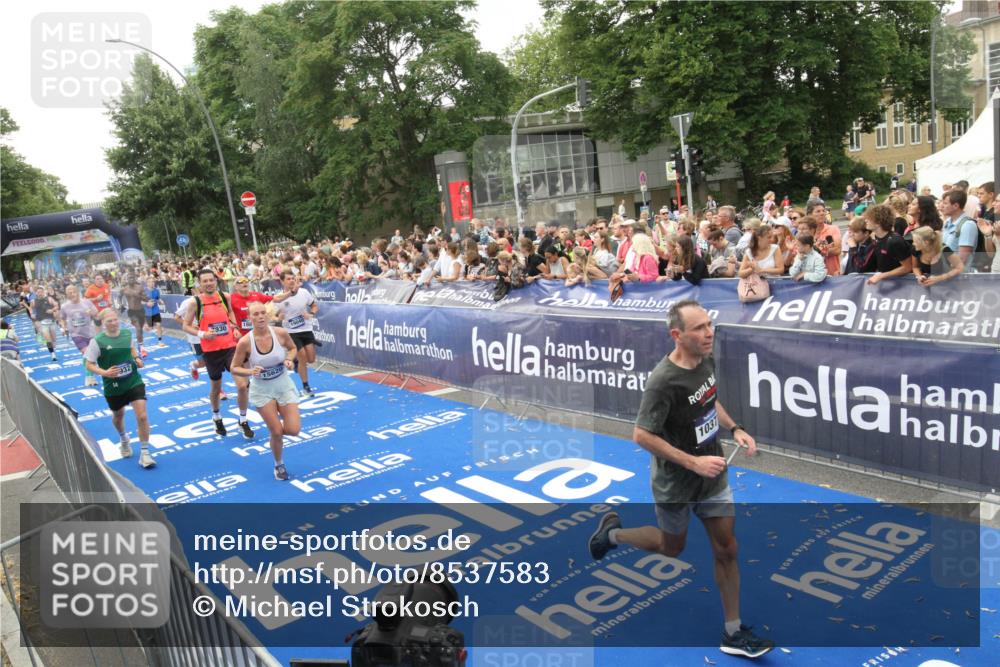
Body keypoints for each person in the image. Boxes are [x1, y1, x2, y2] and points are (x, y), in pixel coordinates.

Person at [588, 300, 772, 659]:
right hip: (676, 482)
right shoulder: (663, 381)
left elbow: (709, 400)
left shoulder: (705, 359)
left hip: (712, 477)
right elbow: (641, 435)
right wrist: (693, 462)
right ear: (677, 335)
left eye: (709, 324)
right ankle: (612, 534)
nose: (709, 333)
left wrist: (735, 428)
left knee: (727, 548)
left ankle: (733, 632)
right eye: (699, 328)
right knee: (672, 548)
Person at [229, 302, 300, 481]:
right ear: (249, 318)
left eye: (263, 313)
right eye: (256, 314)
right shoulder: (245, 342)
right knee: (276, 431)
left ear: (267, 316)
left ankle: (276, 442)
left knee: (293, 430)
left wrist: (290, 359)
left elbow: (292, 348)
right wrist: (249, 372)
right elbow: (234, 368)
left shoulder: (280, 333)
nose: (260, 317)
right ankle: (279, 464)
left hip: (283, 385)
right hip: (262, 390)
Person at [182, 269, 253, 438]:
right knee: (216, 388)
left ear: (216, 281)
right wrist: (202, 334)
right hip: (211, 350)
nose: (208, 283)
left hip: (230, 347)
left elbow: (230, 314)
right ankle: (216, 417)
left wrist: (235, 328)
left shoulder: (224, 296)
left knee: (242, 385)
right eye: (204, 281)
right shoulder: (195, 302)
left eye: (211, 280)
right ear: (199, 283)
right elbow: (185, 325)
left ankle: (242, 420)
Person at [84, 309, 156, 469]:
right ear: (103, 323)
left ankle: (145, 453)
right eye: (109, 321)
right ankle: (124, 439)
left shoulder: (126, 334)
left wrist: (136, 358)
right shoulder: (97, 341)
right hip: (113, 386)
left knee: (142, 416)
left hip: (133, 380)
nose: (113, 323)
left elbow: (131, 349)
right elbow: (88, 363)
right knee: (118, 416)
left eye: (115, 319)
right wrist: (105, 373)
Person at [271, 270, 319, 396]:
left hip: (306, 329)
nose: (291, 280)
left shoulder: (303, 292)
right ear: (282, 281)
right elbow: (272, 316)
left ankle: (297, 362)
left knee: (311, 359)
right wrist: (278, 318)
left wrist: (310, 314)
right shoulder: (279, 298)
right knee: (302, 356)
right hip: (291, 332)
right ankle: (306, 386)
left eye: (293, 278)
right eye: (288, 279)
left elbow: (314, 306)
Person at [60, 284, 100, 386]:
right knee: (86, 353)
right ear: (67, 295)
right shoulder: (65, 306)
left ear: (78, 292)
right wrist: (63, 327)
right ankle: (88, 377)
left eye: (73, 291)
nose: (72, 294)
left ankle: (91, 374)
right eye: (69, 292)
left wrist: (91, 313)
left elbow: (96, 314)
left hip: (90, 333)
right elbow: (62, 318)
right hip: (76, 334)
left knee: (92, 356)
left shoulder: (87, 302)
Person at [864, 204, 913, 285]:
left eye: (869, 218)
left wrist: (882, 276)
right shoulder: (875, 237)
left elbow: (907, 267)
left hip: (900, 285)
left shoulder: (895, 241)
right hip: (886, 282)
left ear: (878, 222)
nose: (866, 220)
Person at [940, 189, 978, 271]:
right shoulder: (947, 222)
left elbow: (962, 259)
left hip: (959, 278)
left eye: (945, 203)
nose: (941, 205)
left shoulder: (968, 225)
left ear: (956, 206)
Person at [31, 285, 60, 362]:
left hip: (51, 321)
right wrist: (32, 314)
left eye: (41, 292)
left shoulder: (49, 299)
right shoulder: (33, 301)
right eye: (38, 292)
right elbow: (31, 309)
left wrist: (52, 310)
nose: (40, 293)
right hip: (42, 322)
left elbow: (57, 306)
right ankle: (53, 354)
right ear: (36, 293)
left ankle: (53, 347)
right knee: (48, 339)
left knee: (53, 339)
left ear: (43, 292)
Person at [121, 277, 147, 352]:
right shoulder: (124, 289)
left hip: (140, 310)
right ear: (127, 280)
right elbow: (119, 296)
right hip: (131, 311)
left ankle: (140, 344)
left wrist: (138, 296)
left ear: (134, 279)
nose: (131, 279)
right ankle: (142, 348)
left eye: (132, 278)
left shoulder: (140, 288)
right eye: (129, 278)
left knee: (140, 330)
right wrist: (121, 304)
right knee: (138, 328)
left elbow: (146, 298)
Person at [144, 277, 164, 346]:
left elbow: (158, 299)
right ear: (147, 283)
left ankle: (160, 341)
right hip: (147, 312)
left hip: (156, 311)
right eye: (150, 282)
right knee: (149, 328)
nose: (152, 283)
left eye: (153, 282)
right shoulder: (143, 291)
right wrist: (147, 303)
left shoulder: (156, 290)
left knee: (158, 325)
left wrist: (160, 301)